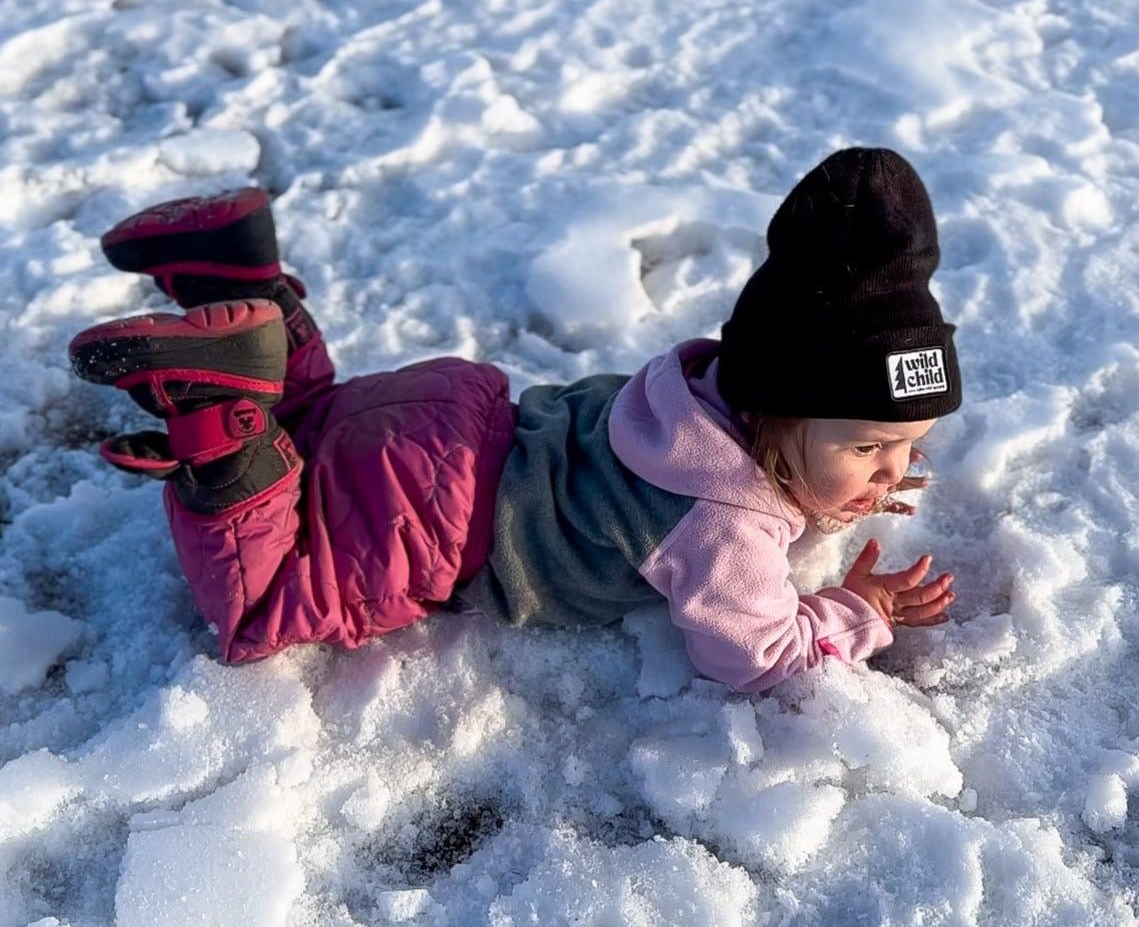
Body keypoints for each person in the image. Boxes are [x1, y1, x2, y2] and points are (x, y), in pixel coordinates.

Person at [68, 147, 960, 691]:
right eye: (867, 445)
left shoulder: (696, 389)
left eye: (906, 447)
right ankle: (222, 423)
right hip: (432, 521)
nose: (892, 470)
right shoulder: (724, 523)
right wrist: (859, 609)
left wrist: (832, 476)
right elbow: (754, 655)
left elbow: (788, 438)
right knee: (261, 605)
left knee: (310, 419)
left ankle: (239, 278)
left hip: (451, 418)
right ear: (777, 419)